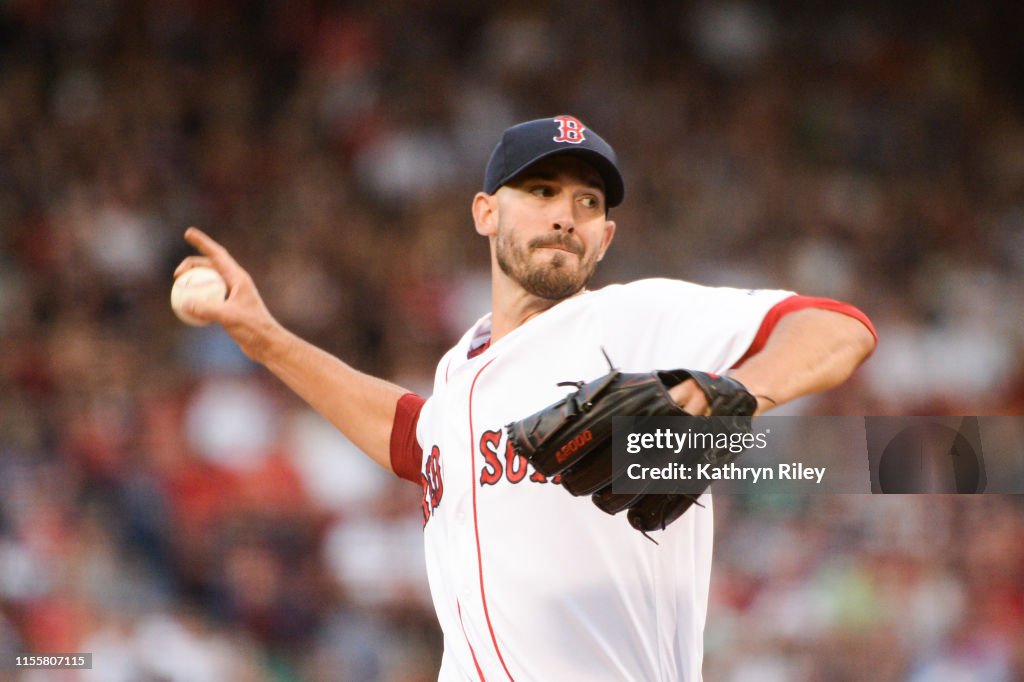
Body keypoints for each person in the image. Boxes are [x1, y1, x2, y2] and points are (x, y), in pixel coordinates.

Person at [175, 114, 877, 681]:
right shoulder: (461, 370)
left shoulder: (633, 322)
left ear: (606, 237)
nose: (566, 214)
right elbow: (414, 439)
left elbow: (838, 328)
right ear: (485, 212)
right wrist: (265, 339)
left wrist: (739, 391)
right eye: (541, 191)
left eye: (587, 202)